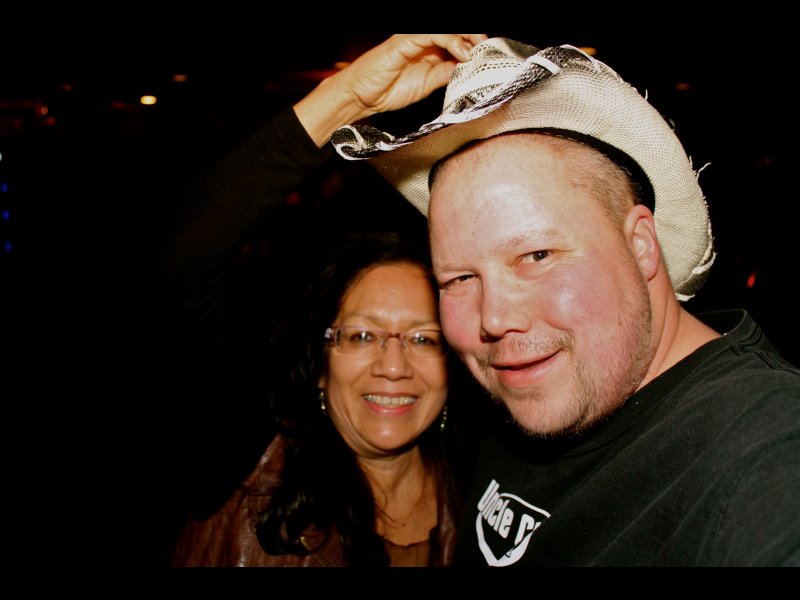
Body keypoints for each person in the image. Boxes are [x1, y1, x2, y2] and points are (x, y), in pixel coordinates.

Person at [332, 37, 800, 566]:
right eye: (459, 278)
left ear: (641, 245)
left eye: (536, 255)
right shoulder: (524, 404)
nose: (494, 318)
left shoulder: (763, 449)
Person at [158, 34, 489, 567]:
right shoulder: (252, 469)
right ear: (319, 361)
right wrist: (349, 99)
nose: (393, 366)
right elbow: (181, 261)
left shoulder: (491, 493)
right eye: (362, 335)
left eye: (424, 339)